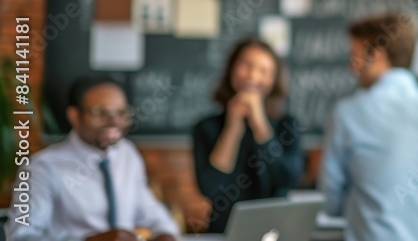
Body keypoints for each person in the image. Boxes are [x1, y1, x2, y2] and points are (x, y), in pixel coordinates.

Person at [321, 12, 418, 241]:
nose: (352, 66)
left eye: (355, 56)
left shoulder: (348, 113)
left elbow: (329, 202)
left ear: (377, 55)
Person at [5, 76, 180, 241]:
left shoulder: (127, 154)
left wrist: (165, 232)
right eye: (100, 112)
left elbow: (149, 209)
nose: (114, 121)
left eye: (121, 112)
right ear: (74, 115)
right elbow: (21, 236)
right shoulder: (41, 168)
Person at [192, 38, 303, 233]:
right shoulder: (206, 127)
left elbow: (286, 180)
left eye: (264, 71)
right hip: (224, 232)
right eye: (246, 65)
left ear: (274, 80)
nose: (253, 76)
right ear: (231, 69)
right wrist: (233, 127)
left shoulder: (288, 125)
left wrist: (259, 123)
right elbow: (210, 188)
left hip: (275, 231)